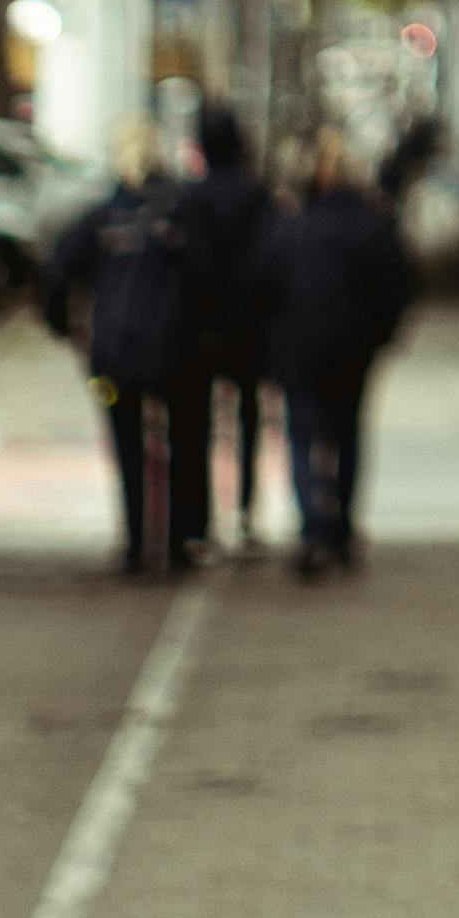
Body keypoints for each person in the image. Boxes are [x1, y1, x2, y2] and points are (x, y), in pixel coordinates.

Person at [46, 129, 197, 575]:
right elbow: (205, 279)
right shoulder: (179, 218)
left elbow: (58, 272)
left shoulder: (100, 218)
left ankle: (135, 542)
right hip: (173, 354)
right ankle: (175, 541)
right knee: (179, 443)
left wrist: (64, 327)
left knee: (127, 444)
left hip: (113, 354)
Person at [261, 130, 412, 577]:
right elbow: (398, 288)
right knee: (347, 434)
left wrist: (271, 341)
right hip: (354, 349)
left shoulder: (292, 227)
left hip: (300, 349)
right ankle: (342, 528)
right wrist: (381, 337)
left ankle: (312, 526)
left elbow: (264, 288)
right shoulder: (375, 227)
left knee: (303, 436)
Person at [177, 96, 270, 556]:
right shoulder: (258, 193)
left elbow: (186, 263)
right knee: (250, 416)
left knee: (195, 425)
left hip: (199, 325)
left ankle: (198, 522)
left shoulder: (189, 196)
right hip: (249, 323)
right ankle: (248, 513)